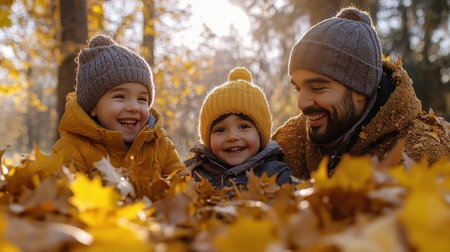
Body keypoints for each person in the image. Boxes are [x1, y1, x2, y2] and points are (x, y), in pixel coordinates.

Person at [272, 7, 450, 180]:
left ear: (360, 89)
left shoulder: (419, 155)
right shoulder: (287, 144)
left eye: (317, 88)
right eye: (298, 88)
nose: (301, 103)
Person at [52, 35, 185, 197]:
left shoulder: (160, 147)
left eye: (142, 99)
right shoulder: (72, 148)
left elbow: (184, 188)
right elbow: (64, 195)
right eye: (120, 97)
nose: (134, 107)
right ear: (93, 106)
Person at [184, 67, 295, 189]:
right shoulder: (192, 172)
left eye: (244, 126)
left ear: (260, 133)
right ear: (208, 138)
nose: (232, 137)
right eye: (220, 130)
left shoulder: (276, 175)